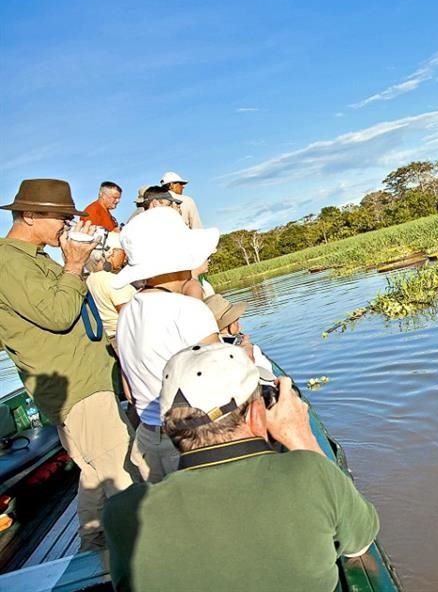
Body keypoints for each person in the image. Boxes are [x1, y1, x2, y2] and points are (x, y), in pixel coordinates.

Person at [103, 343, 380, 592]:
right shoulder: (311, 472)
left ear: (167, 428)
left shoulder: (124, 514)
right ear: (256, 413)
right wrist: (302, 439)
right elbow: (361, 540)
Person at [0, 178, 136, 550]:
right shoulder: (6, 263)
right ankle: (145, 561)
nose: (66, 223)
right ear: (28, 215)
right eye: (59, 216)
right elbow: (58, 314)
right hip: (78, 389)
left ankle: (94, 553)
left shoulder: (33, 259)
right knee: (123, 480)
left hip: (82, 384)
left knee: (93, 474)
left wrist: (69, 261)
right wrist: (74, 264)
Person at [114, 207, 221, 483]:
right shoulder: (187, 309)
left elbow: (129, 386)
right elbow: (224, 380)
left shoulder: (127, 312)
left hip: (148, 437)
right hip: (188, 437)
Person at [203, 293, 272, 376]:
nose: (238, 322)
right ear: (230, 324)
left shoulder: (204, 348)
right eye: (236, 319)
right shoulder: (251, 351)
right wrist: (247, 346)